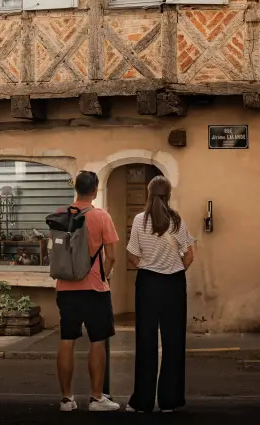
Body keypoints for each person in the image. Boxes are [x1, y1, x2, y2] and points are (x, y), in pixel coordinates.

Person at [126, 176, 196, 414]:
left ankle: (142, 402)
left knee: (145, 341)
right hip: (173, 284)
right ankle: (170, 401)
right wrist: (174, 270)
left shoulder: (139, 220)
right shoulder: (177, 221)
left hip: (147, 283)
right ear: (168, 195)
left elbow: (132, 255)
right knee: (173, 341)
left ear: (148, 193)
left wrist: (148, 266)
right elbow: (189, 255)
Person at [55, 170, 120, 412]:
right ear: (95, 190)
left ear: (76, 189)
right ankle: (96, 398)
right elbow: (112, 255)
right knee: (97, 341)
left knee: (67, 339)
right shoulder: (101, 216)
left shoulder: (61, 214)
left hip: (65, 286)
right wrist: (105, 274)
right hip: (95, 288)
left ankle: (66, 399)